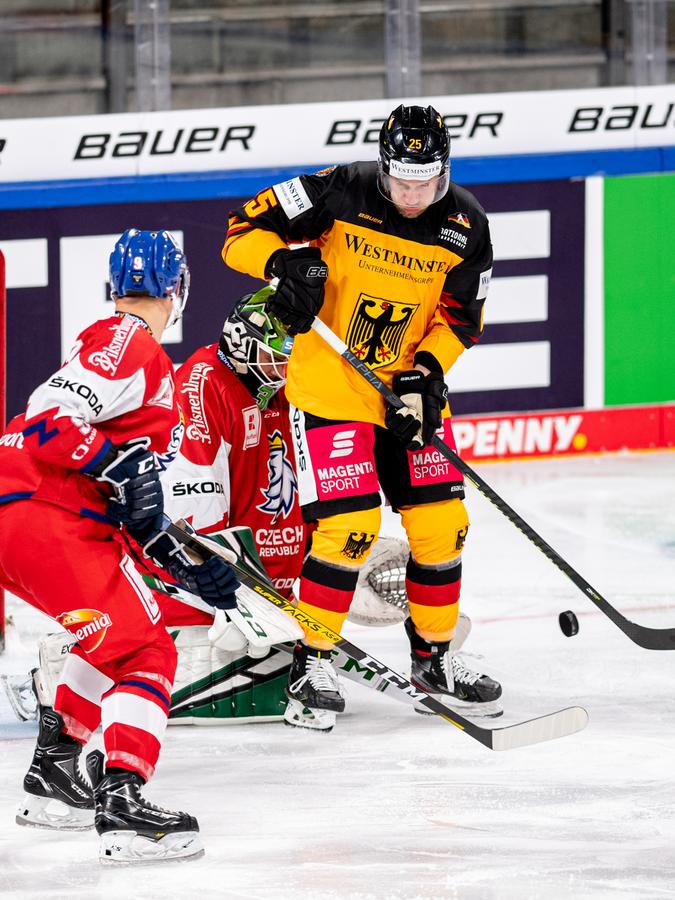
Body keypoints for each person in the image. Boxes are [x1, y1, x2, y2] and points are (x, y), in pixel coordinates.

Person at [222, 104, 501, 731]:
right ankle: (313, 660)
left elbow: (461, 317)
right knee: (349, 526)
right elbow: (238, 229)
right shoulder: (337, 187)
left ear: (445, 170)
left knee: (442, 523)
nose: (411, 194)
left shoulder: (467, 223)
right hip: (329, 389)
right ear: (382, 168)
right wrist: (280, 263)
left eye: (424, 182)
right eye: (400, 180)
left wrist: (427, 375)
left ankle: (435, 657)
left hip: (405, 394)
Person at [0, 228, 238, 862]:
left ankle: (54, 776)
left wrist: (183, 568)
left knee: (116, 632)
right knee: (150, 652)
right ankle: (124, 805)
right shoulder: (127, 340)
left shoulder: (139, 360)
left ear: (115, 284)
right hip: (40, 512)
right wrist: (118, 463)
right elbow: (49, 422)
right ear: (178, 288)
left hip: (37, 521)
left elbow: (131, 510)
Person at [161, 284, 308, 610]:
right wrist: (216, 579)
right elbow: (195, 493)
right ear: (241, 343)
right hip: (213, 596)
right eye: (274, 360)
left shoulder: (288, 388)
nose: (284, 372)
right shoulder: (205, 381)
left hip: (274, 594)